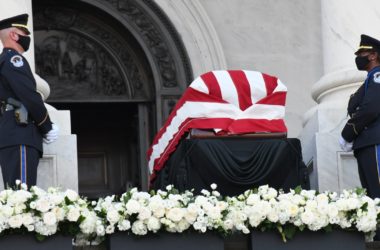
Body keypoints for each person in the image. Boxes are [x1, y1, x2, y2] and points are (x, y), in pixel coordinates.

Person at [0, 13, 59, 188]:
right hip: (21, 132)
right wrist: (47, 126)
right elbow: (29, 96)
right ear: (13, 35)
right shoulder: (14, 60)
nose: (28, 38)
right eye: (24, 33)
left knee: (16, 197)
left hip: (12, 132)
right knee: (22, 196)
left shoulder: (5, 61)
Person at [340, 34, 380, 200]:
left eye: (361, 55)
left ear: (373, 55)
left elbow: (371, 109)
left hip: (375, 142)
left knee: (377, 195)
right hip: (366, 143)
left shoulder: (378, 76)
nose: (358, 58)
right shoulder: (371, 78)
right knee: (373, 199)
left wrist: (348, 133)